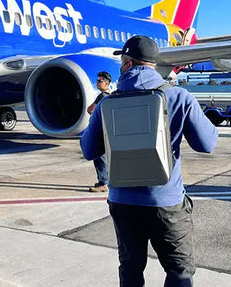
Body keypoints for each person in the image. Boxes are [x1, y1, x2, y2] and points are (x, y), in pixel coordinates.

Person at [80, 35, 218, 287]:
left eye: (122, 62)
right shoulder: (179, 97)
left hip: (123, 202)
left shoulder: (106, 103)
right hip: (166, 202)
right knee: (179, 271)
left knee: (131, 270)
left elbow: (89, 150)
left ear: (128, 64)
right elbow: (206, 145)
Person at [87, 71, 111, 192]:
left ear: (106, 83)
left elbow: (90, 109)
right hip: (106, 129)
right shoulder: (110, 95)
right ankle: (106, 181)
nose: (97, 83)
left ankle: (103, 182)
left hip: (100, 130)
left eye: (100, 81)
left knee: (99, 156)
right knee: (105, 157)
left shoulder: (102, 96)